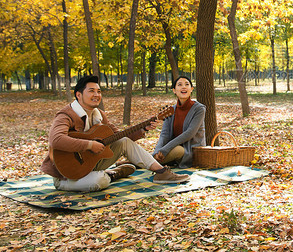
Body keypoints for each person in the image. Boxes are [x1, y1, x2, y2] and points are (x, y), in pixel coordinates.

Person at [40, 75, 190, 192]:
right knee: (100, 182)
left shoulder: (99, 115)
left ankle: (161, 172)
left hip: (91, 164)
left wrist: (143, 129)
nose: (96, 94)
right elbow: (56, 140)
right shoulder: (66, 115)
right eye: (91, 91)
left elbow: (120, 136)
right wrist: (90, 144)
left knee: (124, 142)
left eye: (99, 91)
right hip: (66, 174)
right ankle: (112, 174)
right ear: (78, 95)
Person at [152, 76, 206, 167]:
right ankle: (127, 164)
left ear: (191, 89)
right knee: (154, 156)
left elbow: (189, 133)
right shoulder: (171, 110)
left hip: (190, 151)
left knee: (157, 158)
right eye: (179, 85)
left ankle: (136, 164)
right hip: (172, 148)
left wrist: (165, 149)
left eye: (187, 84)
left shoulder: (199, 109)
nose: (183, 87)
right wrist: (157, 151)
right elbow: (164, 134)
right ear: (174, 90)